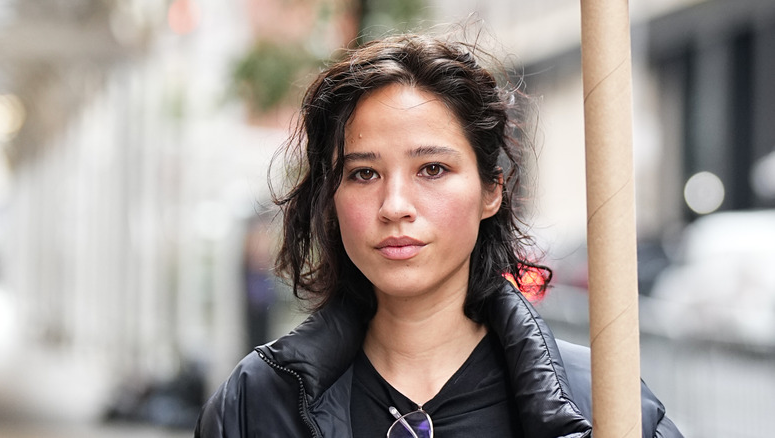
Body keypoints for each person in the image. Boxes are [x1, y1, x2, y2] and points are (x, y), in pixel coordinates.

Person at [195, 33, 683, 437]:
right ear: (330, 198)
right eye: (363, 174)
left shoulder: (604, 408)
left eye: (432, 168)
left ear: (492, 189)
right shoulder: (257, 405)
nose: (395, 206)